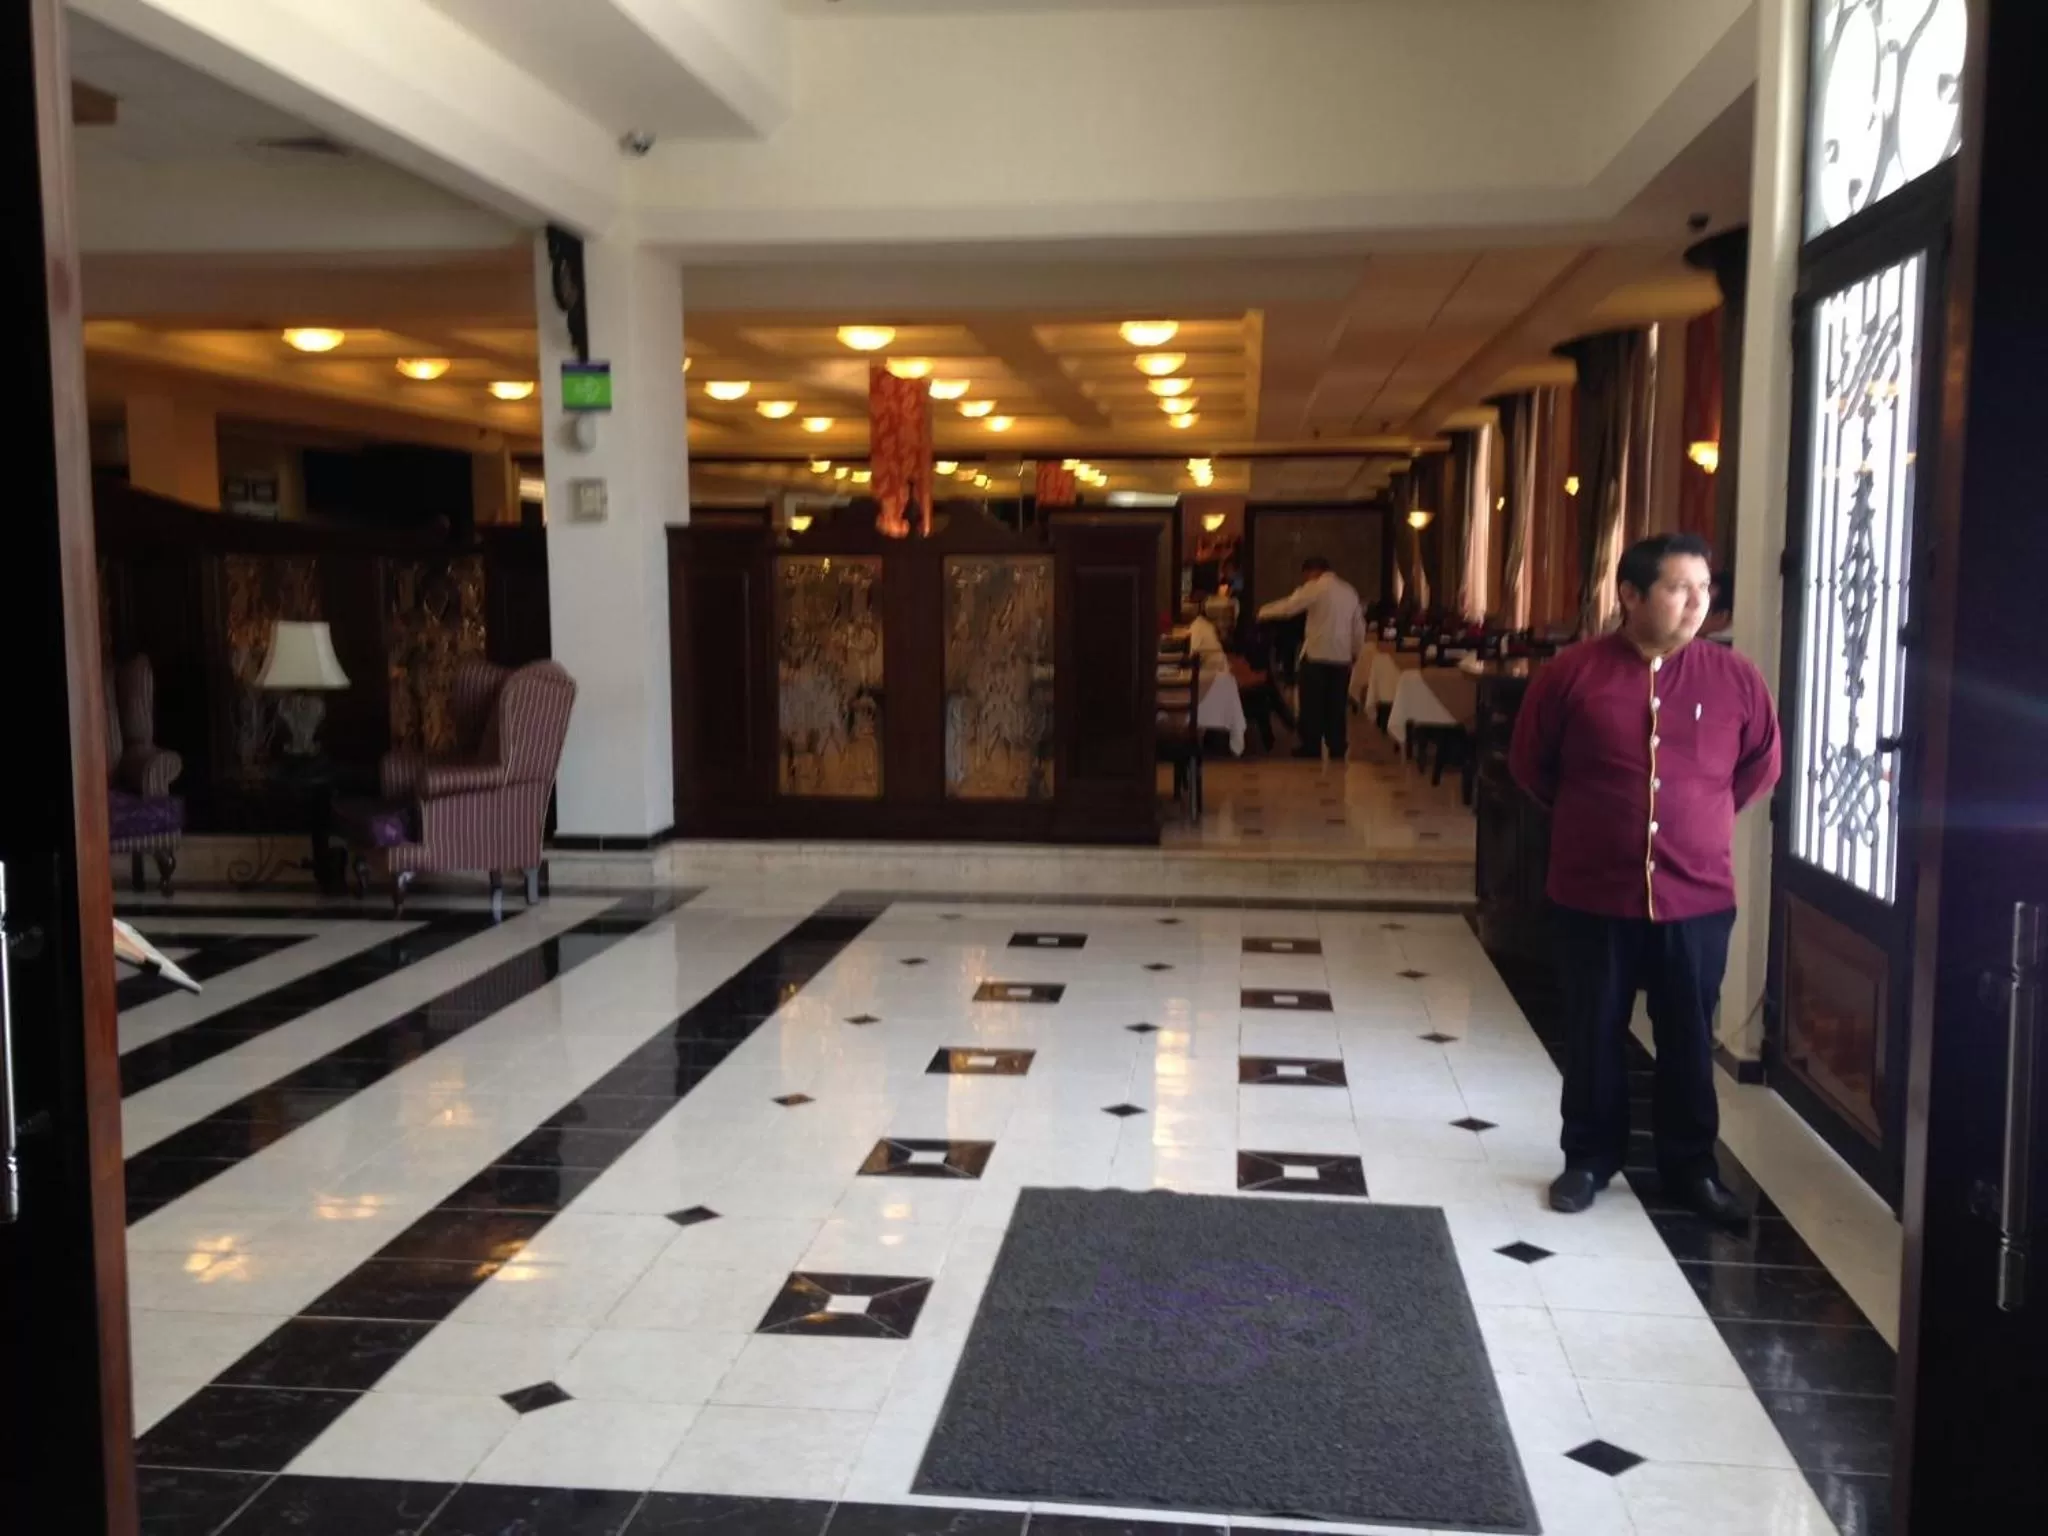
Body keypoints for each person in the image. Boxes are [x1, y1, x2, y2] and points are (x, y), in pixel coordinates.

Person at [1508, 532, 1780, 1223]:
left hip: (1696, 896)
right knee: (1593, 1028)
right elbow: (1532, 765)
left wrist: (1698, 820)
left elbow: (1759, 767)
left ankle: (1691, 1168)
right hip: (1592, 893)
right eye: (1679, 588)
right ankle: (1589, 1158)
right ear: (1630, 595)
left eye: (1705, 590)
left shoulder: (1735, 679)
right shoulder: (1572, 674)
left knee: (1687, 1033)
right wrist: (1599, 819)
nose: (1697, 603)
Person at [1258, 555, 1365, 761]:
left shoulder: (1315, 588)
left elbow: (1289, 607)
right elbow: (1358, 626)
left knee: (1311, 704)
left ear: (1312, 572)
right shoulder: (1349, 591)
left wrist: (1263, 612)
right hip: (1341, 657)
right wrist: (1355, 651)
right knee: (1336, 704)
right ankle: (1337, 746)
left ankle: (1311, 746)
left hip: (1317, 655)